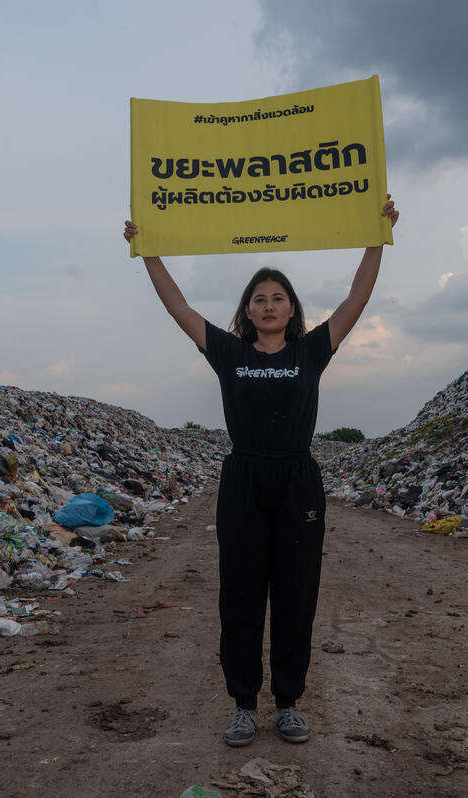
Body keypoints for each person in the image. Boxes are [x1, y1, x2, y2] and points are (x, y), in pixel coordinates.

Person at [122, 195, 399, 746]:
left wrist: (379, 236)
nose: (269, 306)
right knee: (242, 594)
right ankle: (245, 704)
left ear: (292, 309)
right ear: (246, 311)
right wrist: (148, 251)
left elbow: (357, 298)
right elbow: (177, 306)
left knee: (297, 594)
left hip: (298, 482)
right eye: (259, 299)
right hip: (244, 481)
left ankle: (289, 703)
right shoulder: (227, 352)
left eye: (278, 298)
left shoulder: (311, 351)